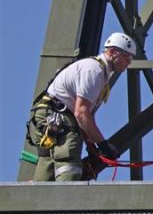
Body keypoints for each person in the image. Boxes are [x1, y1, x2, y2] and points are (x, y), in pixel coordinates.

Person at [23, 32, 136, 181]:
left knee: (48, 165)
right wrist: (103, 145)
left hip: (52, 116)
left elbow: (85, 118)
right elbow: (81, 114)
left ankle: (35, 198)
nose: (128, 63)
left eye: (131, 59)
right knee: (69, 165)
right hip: (58, 117)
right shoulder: (93, 70)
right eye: (126, 57)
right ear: (112, 52)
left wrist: (92, 147)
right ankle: (64, 201)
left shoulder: (100, 73)